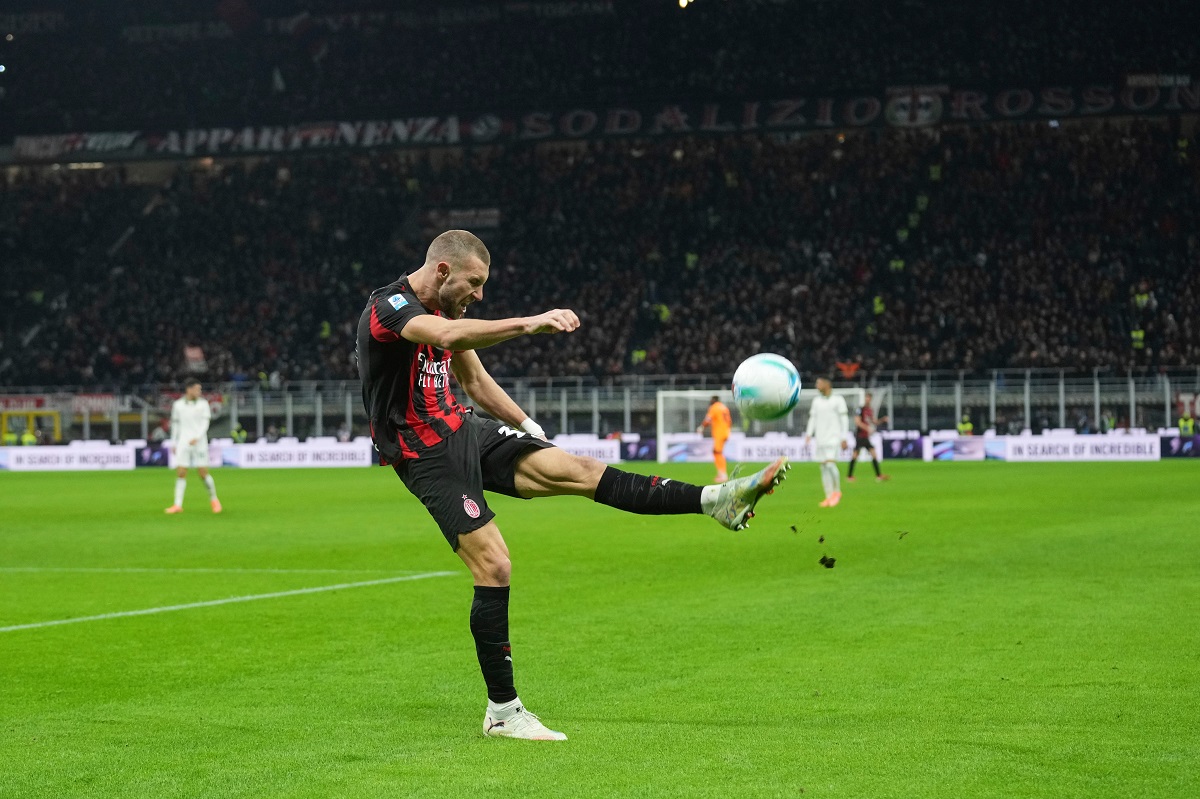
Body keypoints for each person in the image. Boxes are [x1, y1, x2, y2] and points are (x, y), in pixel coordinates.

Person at [357, 230, 789, 742]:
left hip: (463, 427)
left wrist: (528, 426)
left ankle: (715, 500)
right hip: (422, 450)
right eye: (475, 283)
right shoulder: (390, 308)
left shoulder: (448, 310)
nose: (480, 295)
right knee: (494, 565)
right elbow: (448, 338)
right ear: (444, 270)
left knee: (581, 469)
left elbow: (474, 382)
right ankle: (503, 712)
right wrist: (530, 323)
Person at [164, 379, 222, 514]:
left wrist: (197, 437)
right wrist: (174, 442)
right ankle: (177, 505)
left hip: (199, 442)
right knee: (181, 472)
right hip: (183, 442)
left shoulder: (203, 404)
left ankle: (214, 500)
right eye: (197, 389)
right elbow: (175, 425)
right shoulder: (178, 405)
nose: (199, 392)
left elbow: (205, 423)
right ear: (188, 389)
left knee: (203, 473)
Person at [804, 376, 849, 508]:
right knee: (823, 468)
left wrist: (844, 437)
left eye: (819, 383)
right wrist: (808, 434)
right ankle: (828, 496)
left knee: (830, 465)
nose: (816, 385)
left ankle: (837, 492)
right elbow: (813, 418)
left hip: (833, 438)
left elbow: (844, 419)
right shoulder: (816, 401)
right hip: (820, 439)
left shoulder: (838, 400)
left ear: (827, 384)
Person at [847, 391, 889, 482]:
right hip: (860, 435)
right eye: (866, 398)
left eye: (869, 398)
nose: (867, 399)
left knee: (872, 453)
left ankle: (878, 475)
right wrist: (867, 428)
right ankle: (849, 476)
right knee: (856, 454)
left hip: (865, 436)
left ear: (871, 399)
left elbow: (874, 422)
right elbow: (857, 422)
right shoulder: (860, 409)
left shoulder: (869, 410)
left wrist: (882, 420)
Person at [696, 394, 732, 482]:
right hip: (726, 432)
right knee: (717, 452)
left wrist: (701, 427)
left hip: (719, 433)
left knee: (717, 452)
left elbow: (707, 420)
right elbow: (729, 421)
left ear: (713, 400)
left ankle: (723, 474)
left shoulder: (714, 407)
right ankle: (721, 473)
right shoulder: (724, 407)